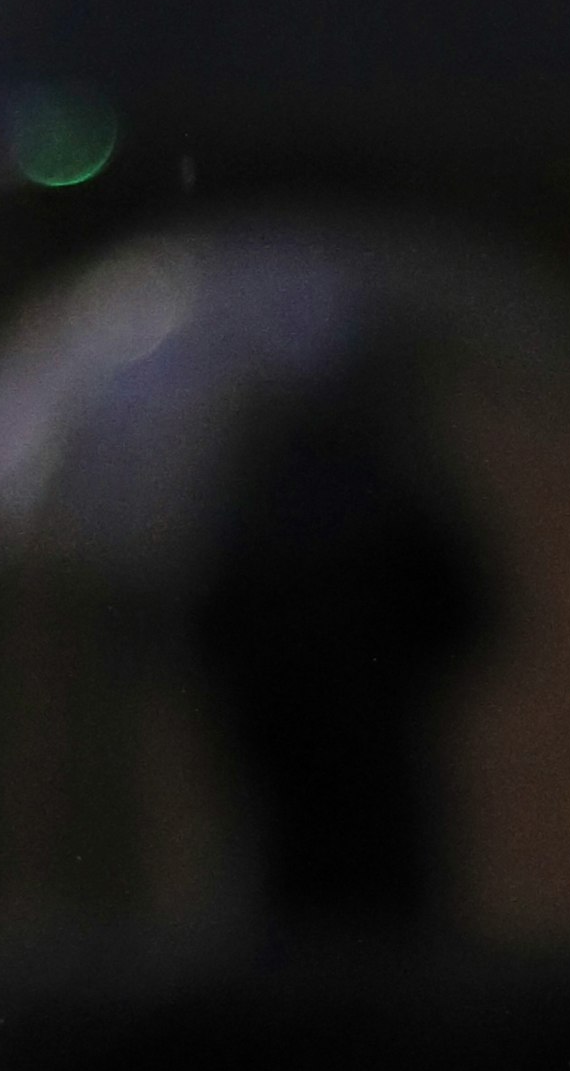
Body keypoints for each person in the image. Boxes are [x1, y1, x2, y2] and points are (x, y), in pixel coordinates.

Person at [182, 334, 504, 933]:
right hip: (377, 799)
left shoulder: (244, 513)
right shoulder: (394, 500)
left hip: (283, 800)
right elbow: (467, 616)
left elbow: (201, 635)